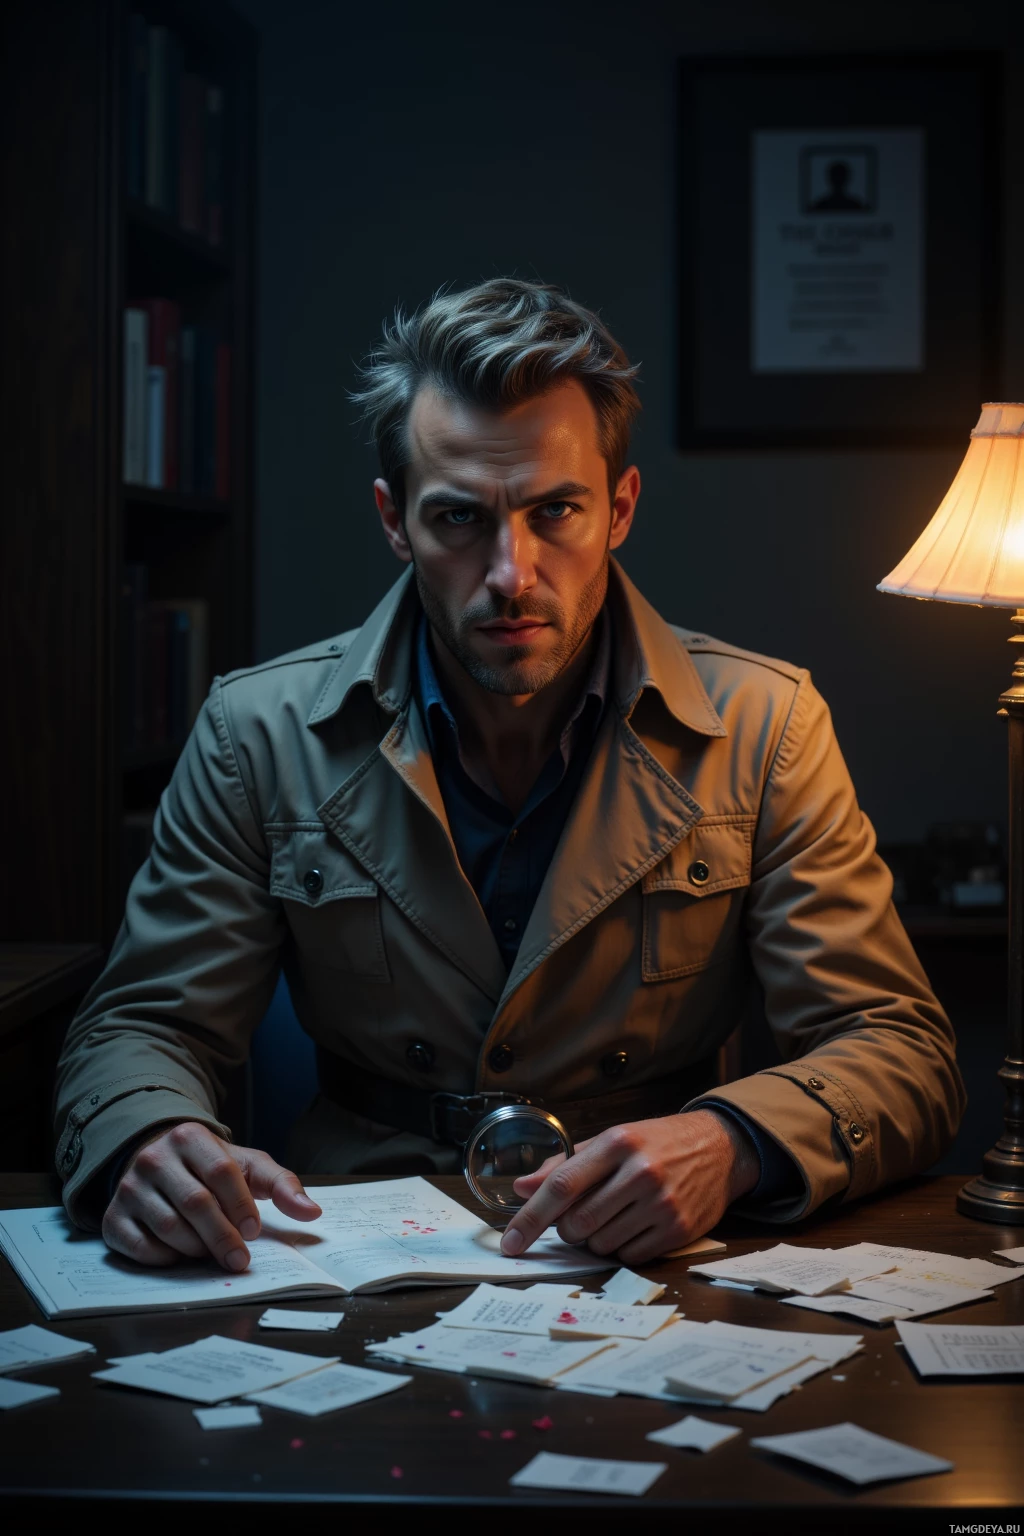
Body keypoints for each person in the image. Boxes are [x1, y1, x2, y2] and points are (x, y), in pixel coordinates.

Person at [54, 278, 964, 1274]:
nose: (511, 573)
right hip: (345, 1250)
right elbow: (142, 1023)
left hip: (656, 1253)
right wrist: (145, 1139)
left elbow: (896, 1049)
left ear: (618, 507)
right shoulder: (256, 729)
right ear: (394, 520)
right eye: (457, 520)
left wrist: (731, 1142)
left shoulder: (762, 724)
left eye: (555, 511)